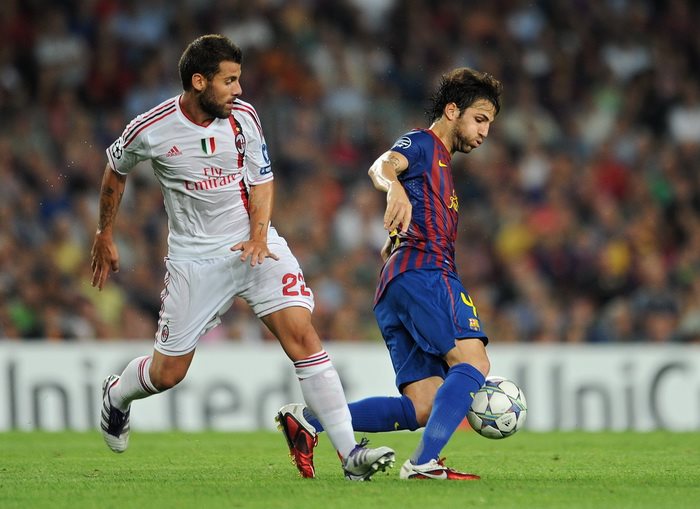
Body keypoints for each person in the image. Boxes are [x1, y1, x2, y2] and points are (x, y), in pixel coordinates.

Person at [91, 34, 394, 481]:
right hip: (195, 260)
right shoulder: (151, 128)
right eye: (229, 80)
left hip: (254, 243)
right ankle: (118, 394)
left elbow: (262, 179)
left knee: (302, 334)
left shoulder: (244, 117)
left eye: (239, 79)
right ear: (199, 81)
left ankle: (350, 456)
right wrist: (105, 233)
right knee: (168, 373)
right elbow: (115, 171)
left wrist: (257, 236)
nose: (238, 89)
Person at [277, 67, 502, 480]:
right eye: (480, 119)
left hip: (398, 278)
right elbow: (383, 165)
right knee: (473, 360)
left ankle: (311, 420)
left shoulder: (442, 165)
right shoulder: (424, 143)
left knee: (423, 404)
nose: (485, 131)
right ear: (453, 111)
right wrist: (393, 186)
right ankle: (423, 464)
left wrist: (398, 238)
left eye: (489, 123)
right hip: (425, 272)